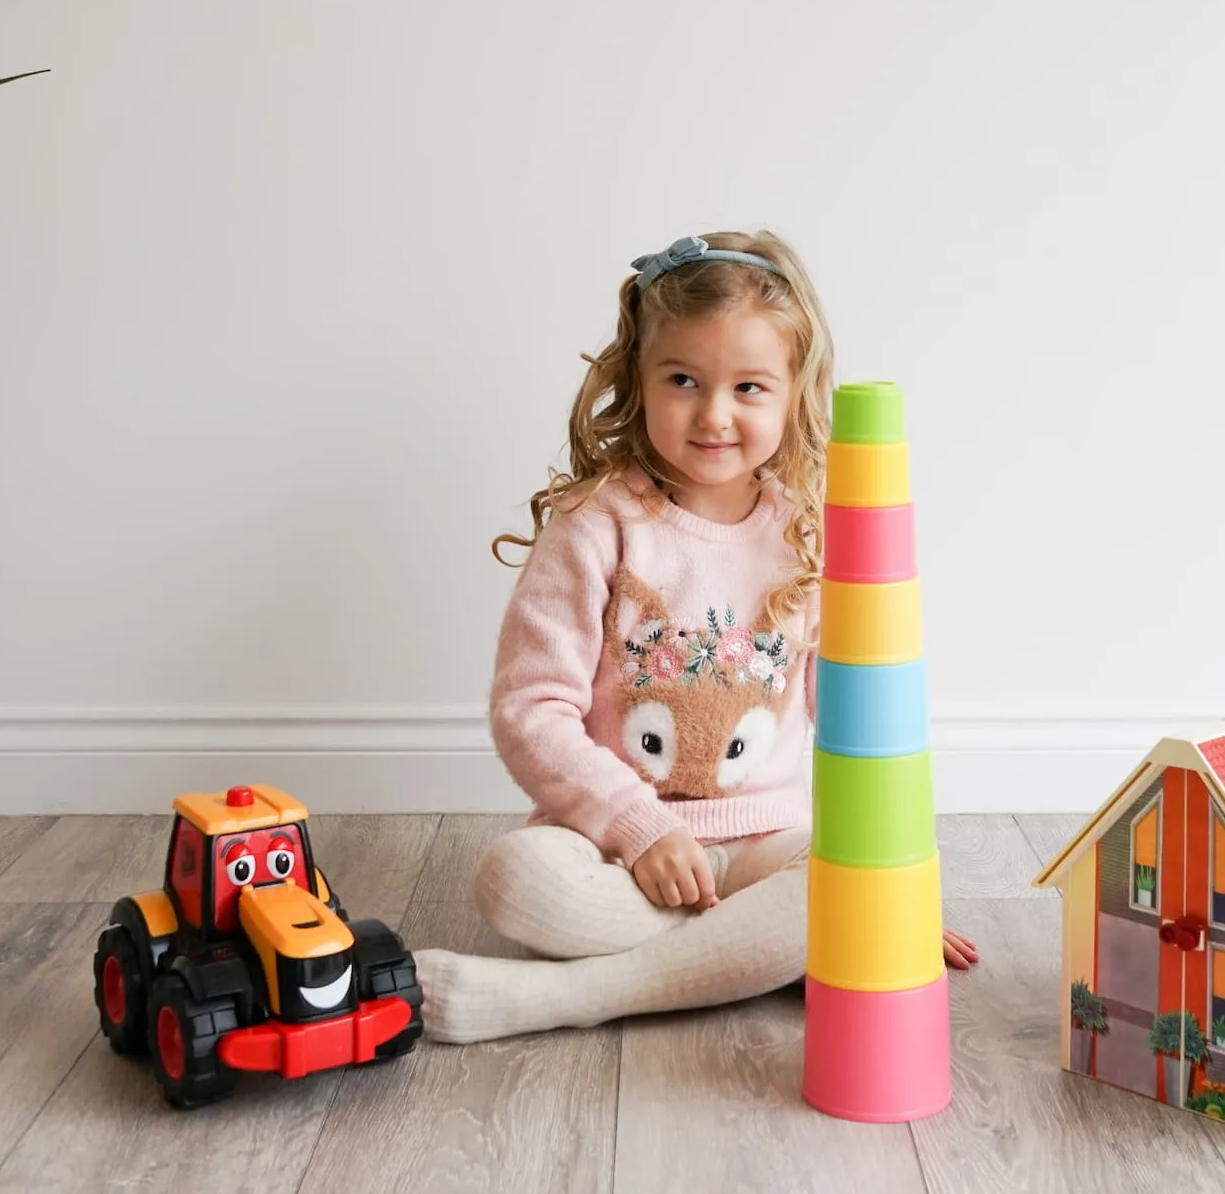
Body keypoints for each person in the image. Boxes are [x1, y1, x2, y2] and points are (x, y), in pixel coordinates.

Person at [412, 230, 976, 1043]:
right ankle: (748, 954)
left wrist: (898, 895)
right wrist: (641, 830)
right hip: (613, 848)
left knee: (856, 879)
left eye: (749, 386)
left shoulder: (813, 535)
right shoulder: (596, 525)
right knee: (511, 879)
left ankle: (570, 996)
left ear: (793, 393)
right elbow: (530, 710)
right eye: (684, 380)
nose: (715, 414)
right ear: (639, 381)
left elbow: (858, 725)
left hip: (767, 845)